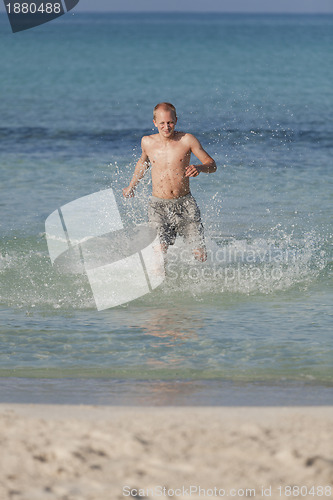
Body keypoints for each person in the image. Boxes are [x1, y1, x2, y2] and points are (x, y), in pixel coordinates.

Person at [123, 102, 216, 262]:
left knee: (200, 256)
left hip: (185, 204)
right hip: (158, 206)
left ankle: (201, 284)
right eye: (162, 123)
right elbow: (142, 163)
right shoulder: (147, 142)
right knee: (159, 255)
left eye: (170, 122)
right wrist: (132, 186)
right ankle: (161, 284)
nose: (166, 127)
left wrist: (200, 168)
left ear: (176, 120)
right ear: (155, 123)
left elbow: (212, 164)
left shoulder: (187, 140)